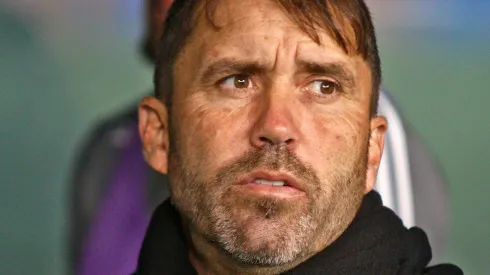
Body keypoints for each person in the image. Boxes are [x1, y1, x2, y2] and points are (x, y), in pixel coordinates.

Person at [70, 0, 450, 274]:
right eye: (238, 82)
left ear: (372, 150)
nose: (277, 126)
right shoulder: (108, 151)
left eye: (322, 87)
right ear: (158, 135)